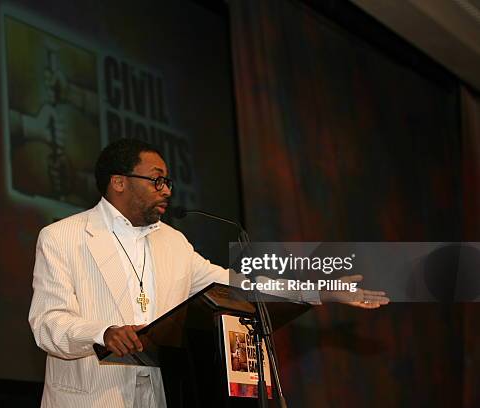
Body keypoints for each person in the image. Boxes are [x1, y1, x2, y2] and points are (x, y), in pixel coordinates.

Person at [28, 138, 389, 407]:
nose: (166, 189)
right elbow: (48, 323)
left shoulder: (174, 242)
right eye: (157, 180)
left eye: (168, 181)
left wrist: (319, 291)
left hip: (156, 395)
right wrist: (102, 332)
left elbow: (236, 285)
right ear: (118, 182)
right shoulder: (63, 236)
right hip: (87, 398)